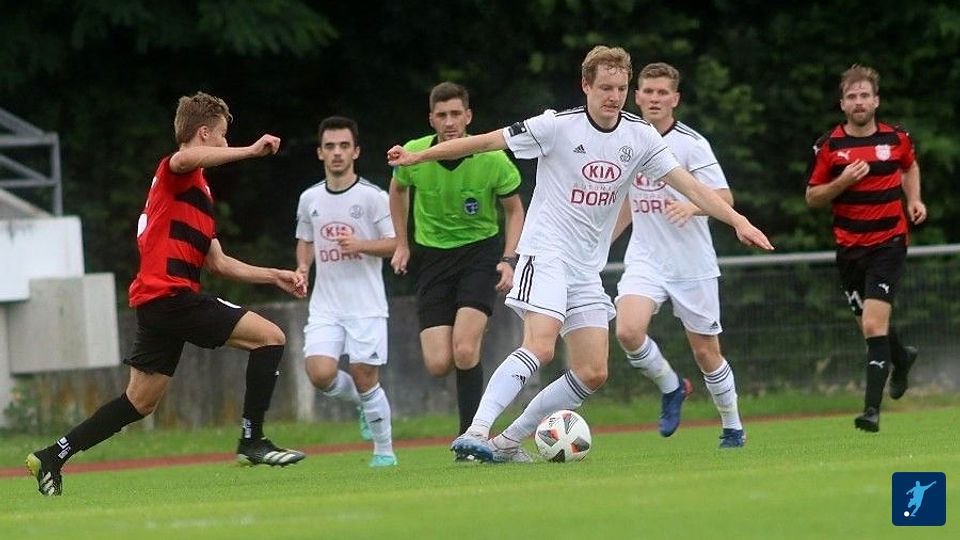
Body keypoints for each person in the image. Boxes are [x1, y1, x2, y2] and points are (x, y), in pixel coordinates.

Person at [387, 46, 773, 463]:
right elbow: (484, 141)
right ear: (585, 86)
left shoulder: (639, 136)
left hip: (586, 269)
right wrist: (419, 156)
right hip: (546, 253)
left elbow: (692, 187)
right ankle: (477, 430)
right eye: (605, 87)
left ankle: (507, 442)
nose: (614, 96)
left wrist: (739, 222)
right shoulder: (555, 126)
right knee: (541, 347)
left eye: (621, 88)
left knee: (593, 372)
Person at [26, 92, 307, 496]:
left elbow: (219, 263)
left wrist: (274, 275)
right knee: (271, 338)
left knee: (138, 402)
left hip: (157, 305)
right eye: (223, 136)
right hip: (171, 298)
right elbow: (184, 158)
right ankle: (252, 440)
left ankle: (53, 454)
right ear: (205, 134)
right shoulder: (177, 170)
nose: (226, 143)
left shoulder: (199, 195)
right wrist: (251, 151)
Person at [610, 62, 745, 448]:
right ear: (637, 97)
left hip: (692, 264)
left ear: (675, 99)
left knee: (706, 352)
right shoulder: (627, 139)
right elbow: (626, 203)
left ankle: (732, 426)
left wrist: (692, 206)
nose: (655, 98)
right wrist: (597, 247)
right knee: (628, 331)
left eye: (662, 92)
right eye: (648, 92)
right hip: (646, 258)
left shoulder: (691, 143)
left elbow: (725, 198)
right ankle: (672, 386)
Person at [389, 82, 525, 440]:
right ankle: (471, 336)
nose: (449, 122)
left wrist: (509, 258)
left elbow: (514, 211)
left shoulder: (492, 159)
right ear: (431, 119)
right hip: (432, 258)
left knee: (464, 349)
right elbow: (397, 190)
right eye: (442, 115)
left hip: (480, 254)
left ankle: (471, 436)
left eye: (455, 114)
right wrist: (401, 243)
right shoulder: (414, 154)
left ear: (468, 116)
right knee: (438, 362)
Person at [806, 64, 925, 433]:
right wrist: (842, 181)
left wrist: (914, 200)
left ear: (876, 101)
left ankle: (871, 411)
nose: (859, 102)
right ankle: (902, 358)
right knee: (872, 327)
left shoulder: (897, 138)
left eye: (864, 95)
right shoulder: (830, 146)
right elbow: (812, 198)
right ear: (843, 104)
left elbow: (909, 167)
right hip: (849, 250)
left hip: (889, 243)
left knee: (873, 325)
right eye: (852, 96)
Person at [295, 116, 398, 467]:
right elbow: (305, 240)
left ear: (356, 151)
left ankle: (384, 452)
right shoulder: (309, 198)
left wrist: (361, 245)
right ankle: (363, 406)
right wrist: (302, 268)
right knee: (319, 372)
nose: (337, 152)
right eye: (330, 146)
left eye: (343, 146)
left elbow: (395, 244)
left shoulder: (373, 197)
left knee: (365, 376)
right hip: (325, 305)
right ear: (320, 153)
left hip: (366, 304)